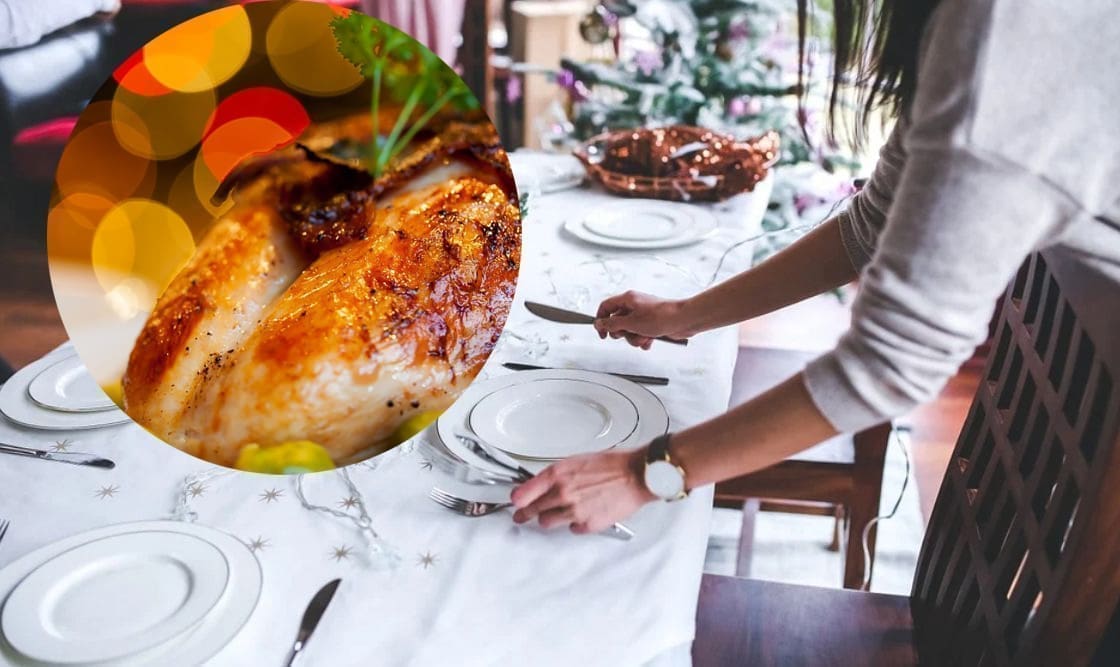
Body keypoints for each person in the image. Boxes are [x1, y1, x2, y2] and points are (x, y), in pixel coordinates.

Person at [510, 0, 1120, 534]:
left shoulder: (1006, 33)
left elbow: (890, 365)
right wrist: (684, 315)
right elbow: (868, 227)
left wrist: (648, 473)